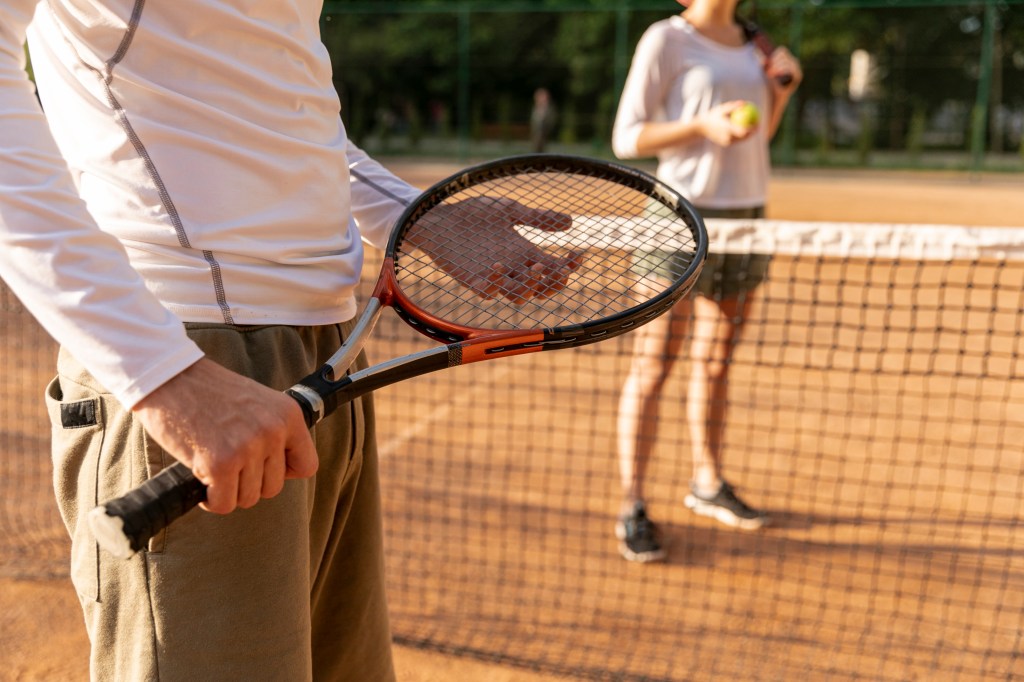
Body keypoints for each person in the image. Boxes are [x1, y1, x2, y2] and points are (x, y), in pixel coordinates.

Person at [0, 2, 577, 679]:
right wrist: (162, 374)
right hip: (194, 363)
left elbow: (276, 97)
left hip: (326, 353)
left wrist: (412, 216)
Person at [610, 0, 802, 562]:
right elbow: (627, 137)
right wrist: (702, 125)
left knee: (717, 362)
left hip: (747, 217)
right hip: (677, 217)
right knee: (653, 365)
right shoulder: (666, 39)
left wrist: (782, 93)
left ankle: (708, 481)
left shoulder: (755, 44)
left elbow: (759, 136)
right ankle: (633, 503)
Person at [530, 87, 558, 153]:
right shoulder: (535, 108)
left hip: (546, 137)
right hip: (536, 138)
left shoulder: (550, 109)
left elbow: (551, 122)